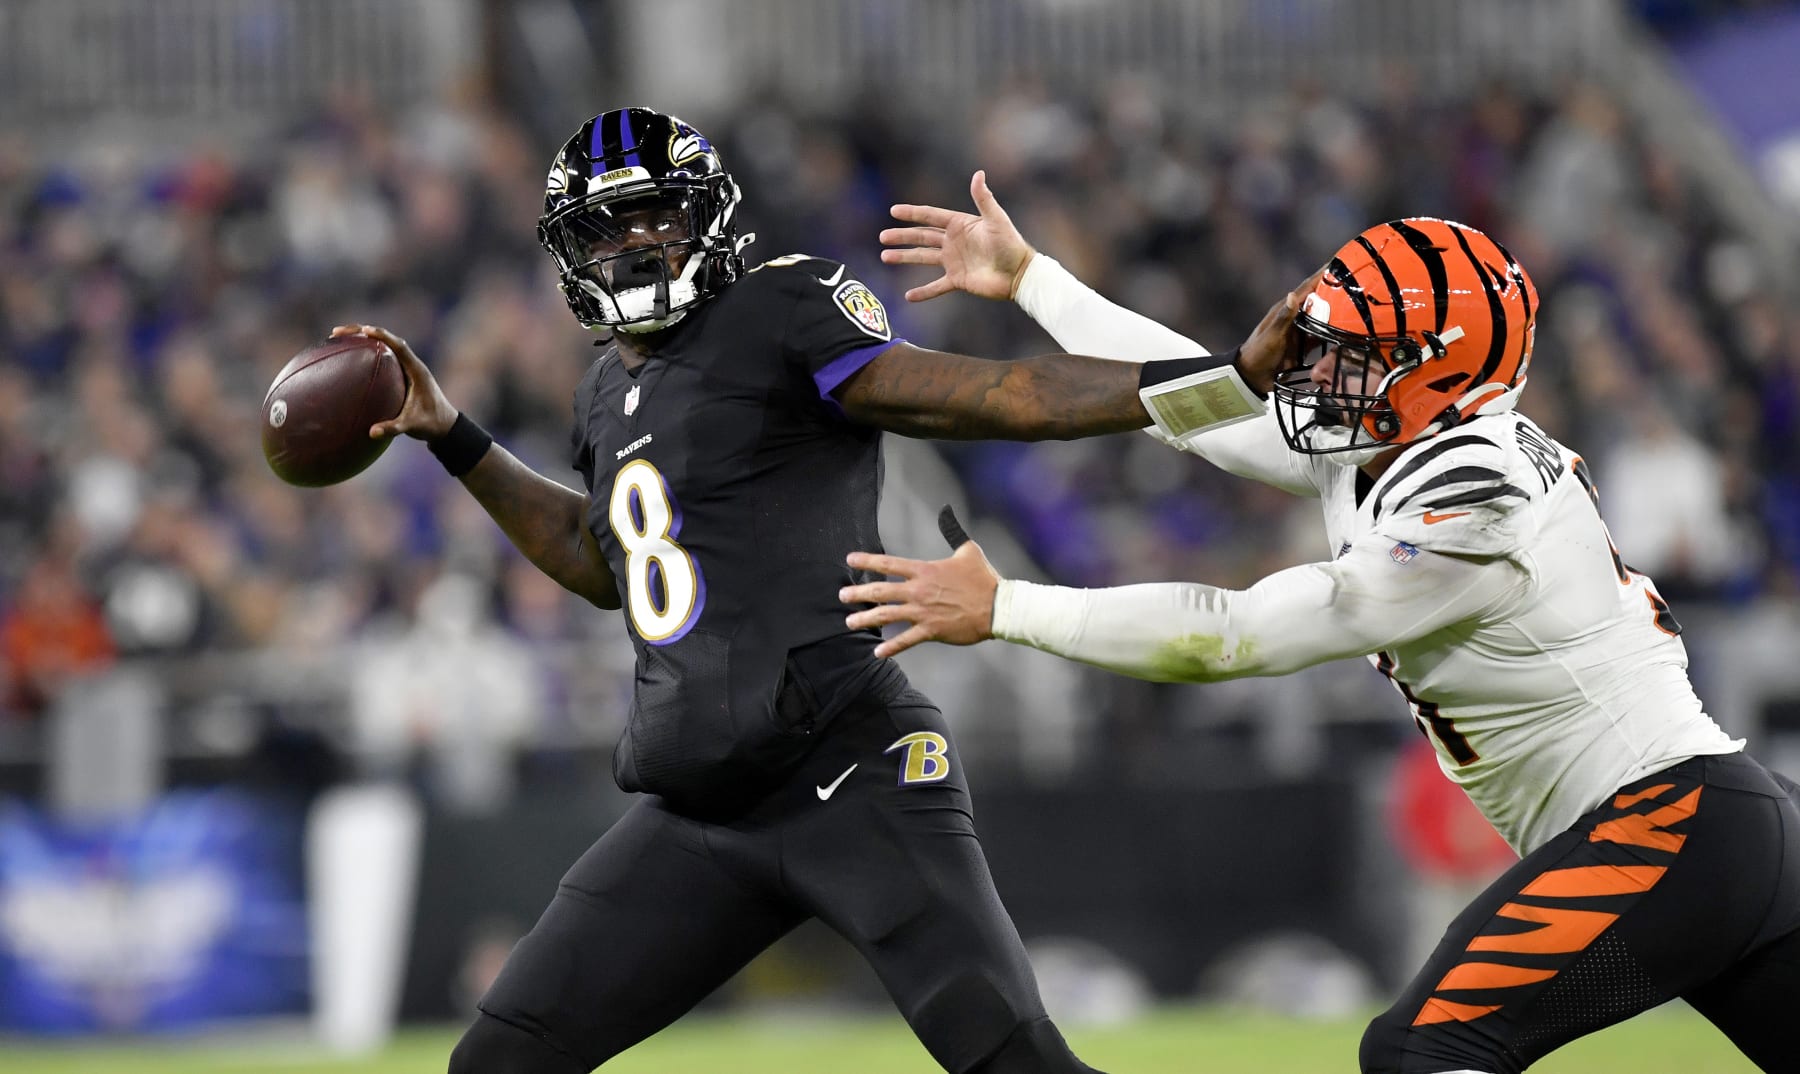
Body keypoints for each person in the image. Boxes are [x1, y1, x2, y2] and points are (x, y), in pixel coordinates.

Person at [328, 107, 1235, 1074]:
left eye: (656, 218)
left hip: (848, 770)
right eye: (608, 229)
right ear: (570, 253)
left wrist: (1214, 387)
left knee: (1016, 1063)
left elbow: (994, 393)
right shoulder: (603, 392)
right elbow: (606, 564)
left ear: (709, 218)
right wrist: (455, 436)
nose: (634, 247)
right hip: (701, 818)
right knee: (499, 1063)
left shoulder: (778, 309)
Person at [843, 177, 1800, 1073]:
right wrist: (1032, 280)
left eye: (1356, 354)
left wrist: (1009, 606)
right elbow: (1195, 410)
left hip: (1670, 824)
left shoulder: (1476, 492)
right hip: (1712, 827)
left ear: (1442, 374)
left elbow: (1238, 635)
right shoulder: (1395, 441)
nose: (1320, 370)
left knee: (1422, 1051)